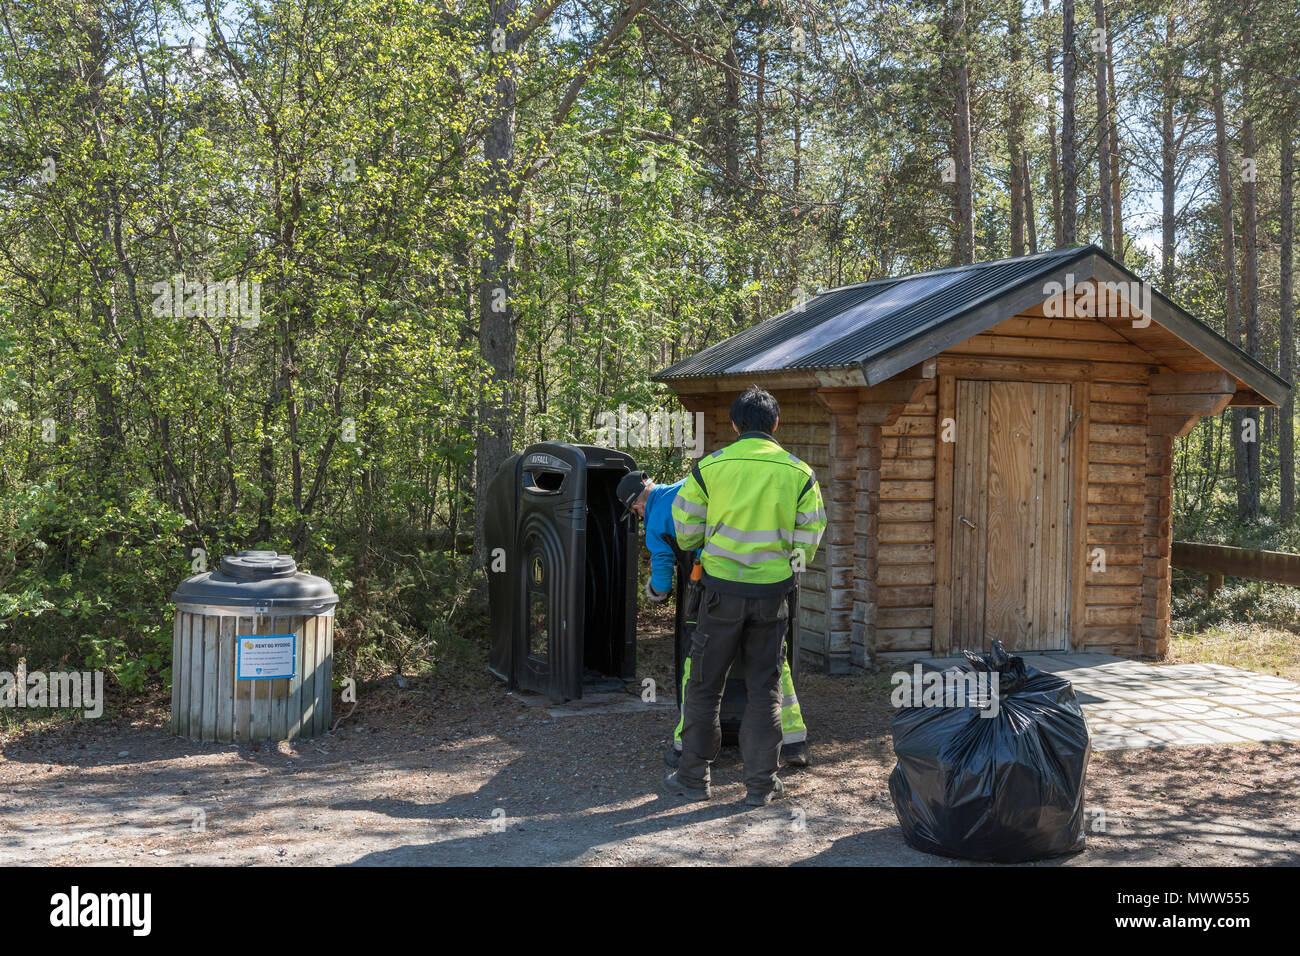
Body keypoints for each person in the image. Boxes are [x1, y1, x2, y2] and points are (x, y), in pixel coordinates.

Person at [664, 386, 825, 806]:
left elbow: (685, 532)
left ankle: (693, 779)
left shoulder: (708, 469)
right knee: (764, 689)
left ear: (735, 425)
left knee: (703, 687)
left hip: (718, 596)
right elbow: (809, 540)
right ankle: (759, 786)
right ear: (776, 424)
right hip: (773, 598)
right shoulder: (800, 473)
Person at [614, 469, 810, 769]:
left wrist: (654, 592)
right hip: (768, 586)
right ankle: (793, 743)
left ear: (636, 506)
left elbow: (663, 583)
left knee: (701, 668)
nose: (639, 514)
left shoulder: (655, 523)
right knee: (772, 662)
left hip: (715, 593)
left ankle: (689, 749)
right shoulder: (692, 484)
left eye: (636, 510)